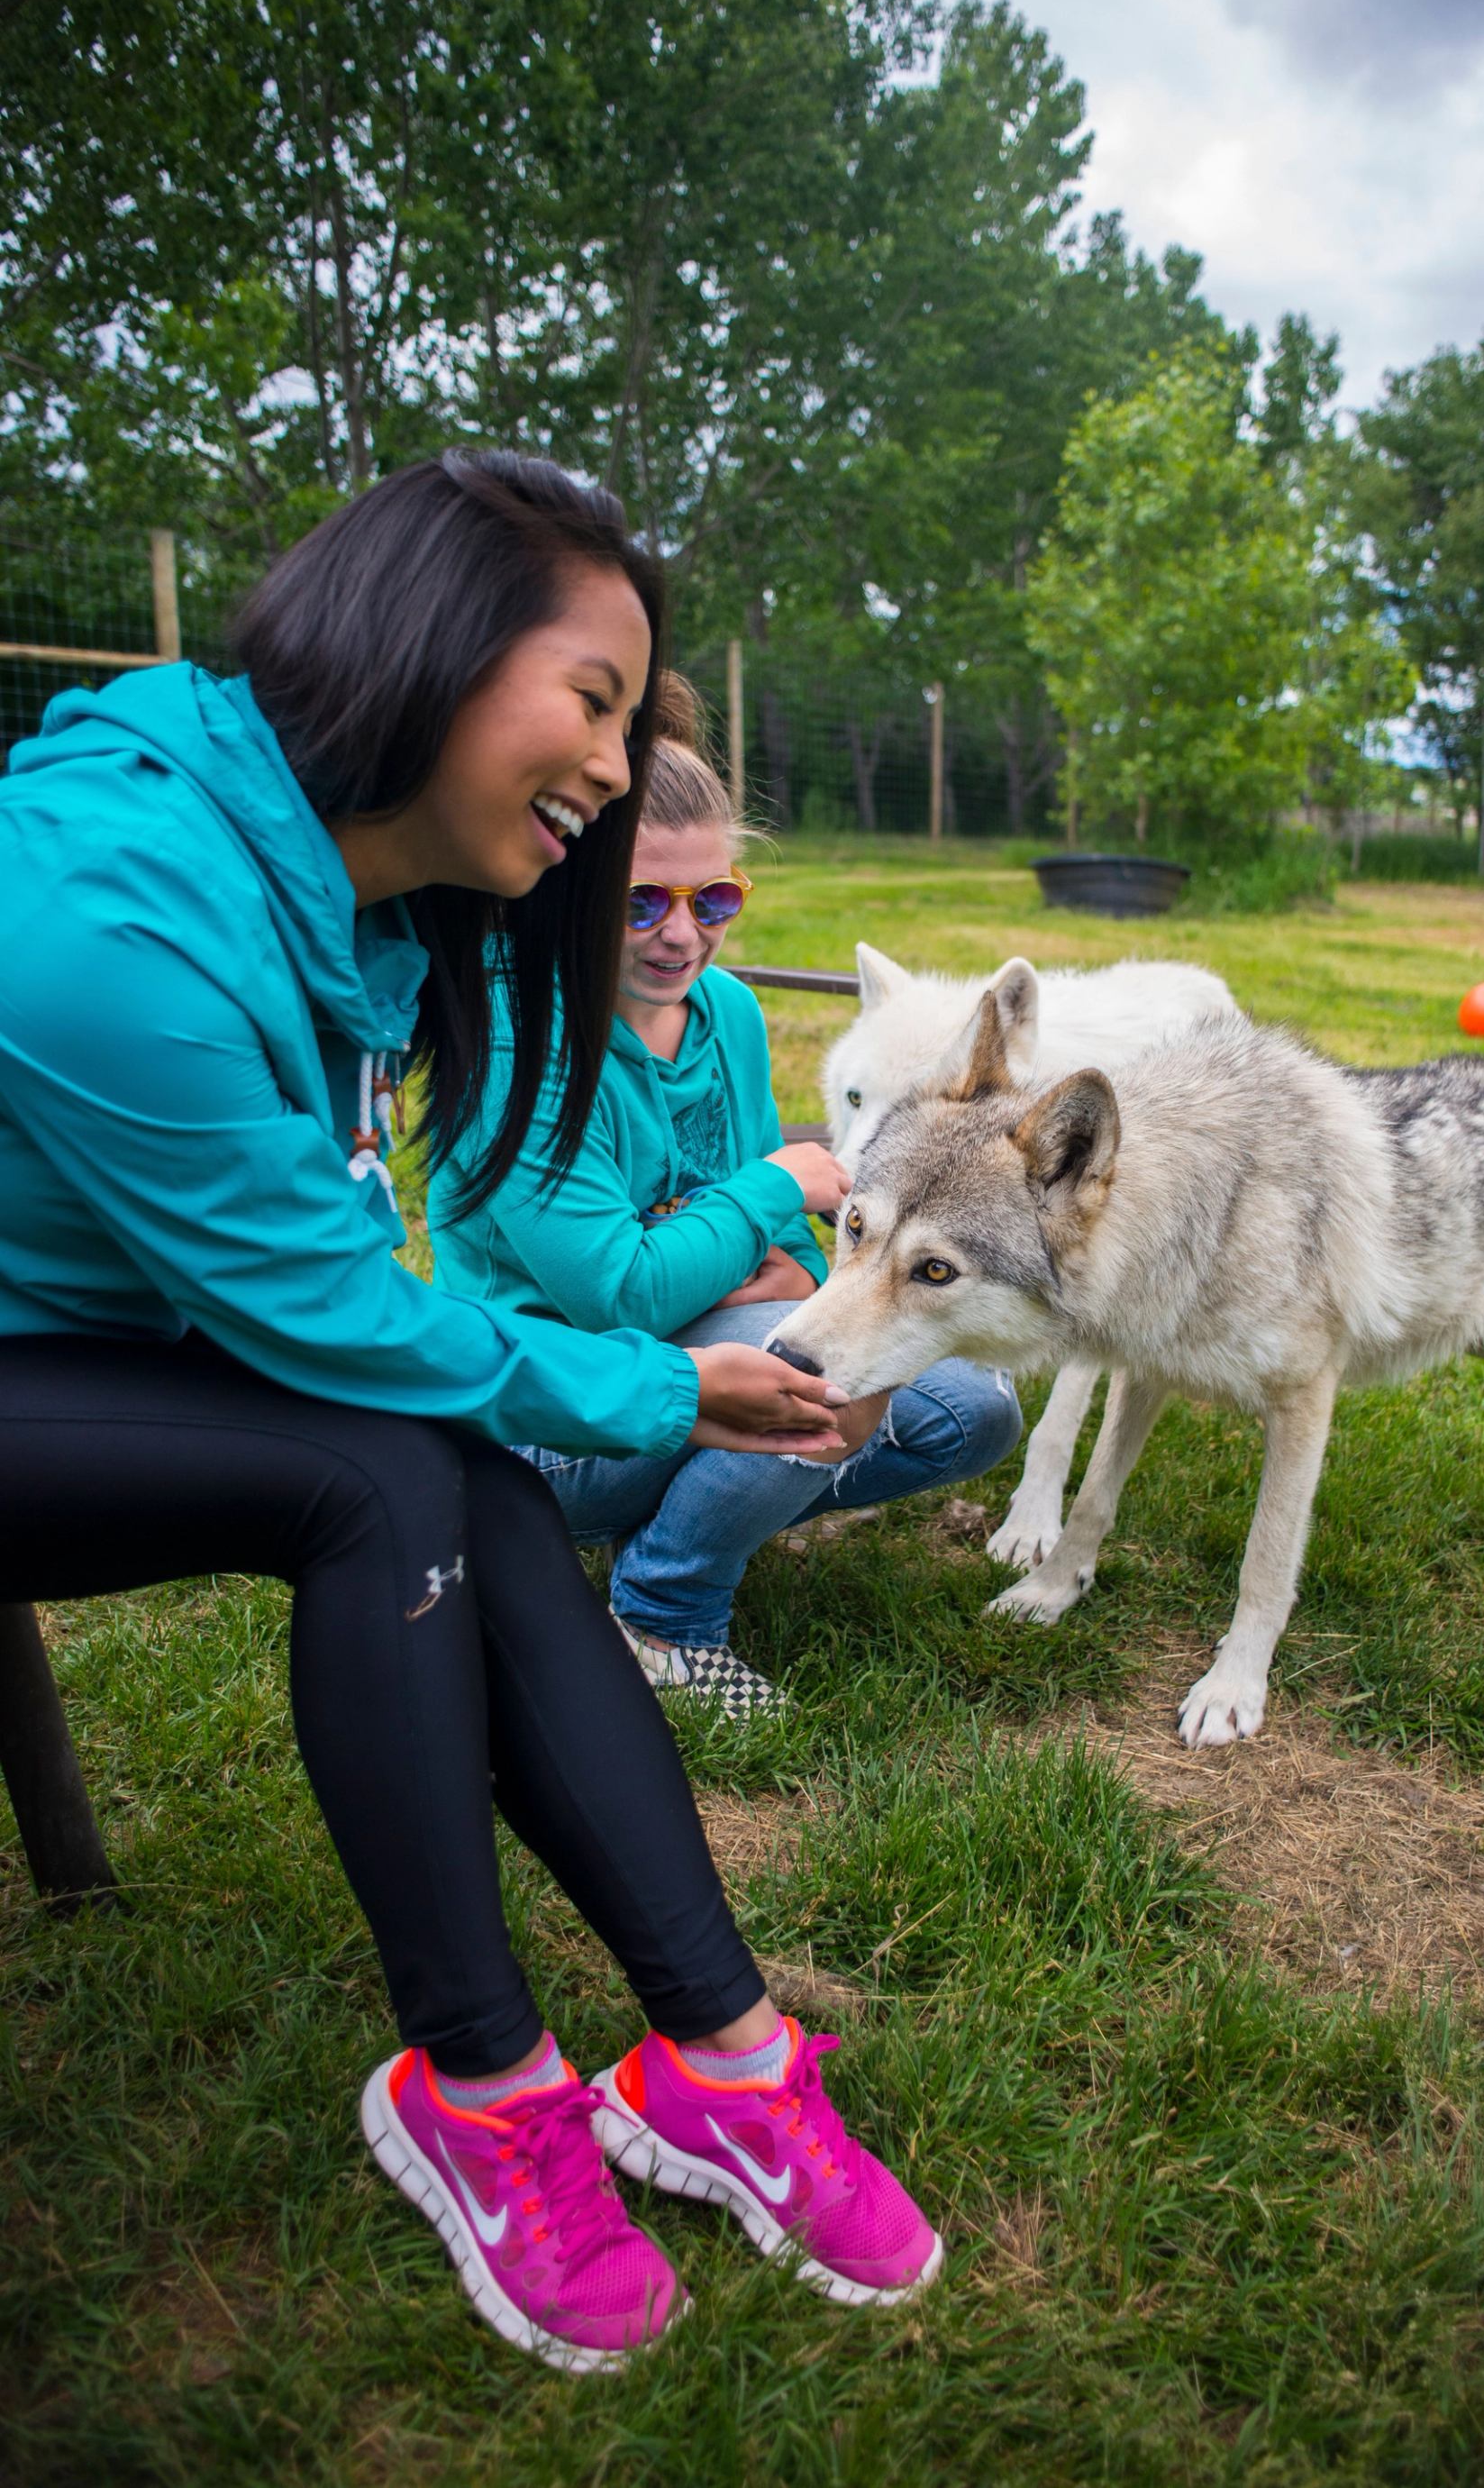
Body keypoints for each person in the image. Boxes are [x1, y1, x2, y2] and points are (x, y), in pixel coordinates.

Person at [0, 452, 941, 2379]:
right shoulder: (101, 912)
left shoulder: (353, 898)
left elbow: (357, 1294)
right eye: (590, 698)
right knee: (382, 1452)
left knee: (436, 1447)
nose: (611, 763)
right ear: (419, 638)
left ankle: (724, 2055)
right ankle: (488, 2082)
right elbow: (362, 1318)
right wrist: (681, 1384)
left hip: (102, 1337)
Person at [428, 733, 1024, 1718]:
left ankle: (692, 1514)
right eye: (639, 901)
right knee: (824, 1372)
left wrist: (743, 1254)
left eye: (714, 900)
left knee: (974, 1411)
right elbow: (616, 1293)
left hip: (681, 1364)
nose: (682, 934)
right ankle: (664, 1615)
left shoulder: (729, 1013)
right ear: (559, 880)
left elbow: (793, 1271)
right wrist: (772, 1185)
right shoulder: (515, 1037)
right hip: (537, 1422)